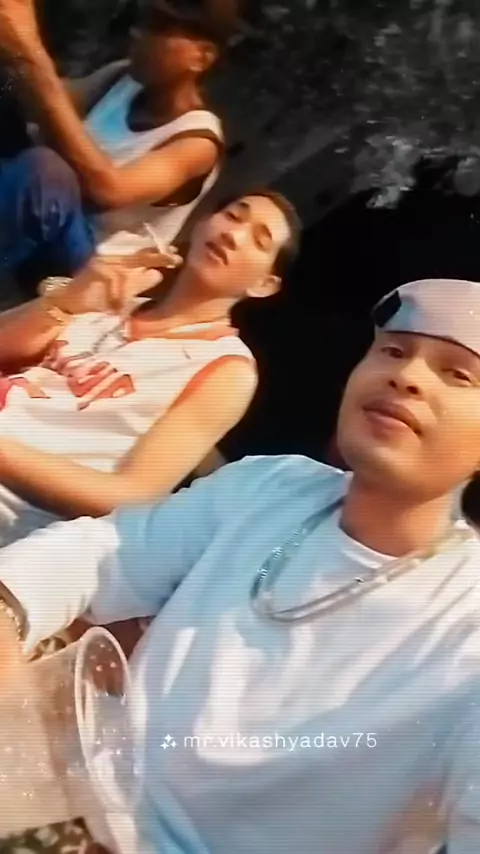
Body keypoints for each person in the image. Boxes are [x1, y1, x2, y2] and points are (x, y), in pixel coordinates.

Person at [0, 276, 479, 853]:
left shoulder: (466, 625)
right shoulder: (270, 486)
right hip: (60, 791)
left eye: (458, 374)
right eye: (393, 351)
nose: (407, 376)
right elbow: (102, 551)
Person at [0, 189, 300, 546]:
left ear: (264, 285)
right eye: (233, 216)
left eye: (259, 240)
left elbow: (131, 496)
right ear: (203, 223)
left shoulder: (225, 368)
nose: (233, 235)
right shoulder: (114, 296)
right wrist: (68, 299)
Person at [0, 0, 239, 289]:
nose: (137, 33)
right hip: (50, 222)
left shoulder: (198, 142)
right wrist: (12, 53)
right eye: (143, 20)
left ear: (201, 57)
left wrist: (29, 53)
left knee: (46, 171)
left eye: (158, 27)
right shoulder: (121, 78)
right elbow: (44, 103)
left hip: (91, 268)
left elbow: (106, 191)